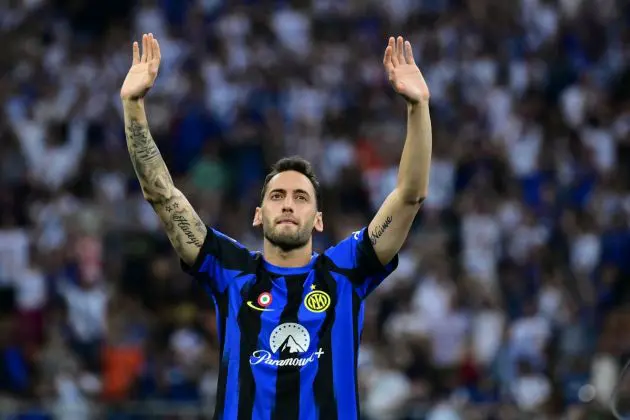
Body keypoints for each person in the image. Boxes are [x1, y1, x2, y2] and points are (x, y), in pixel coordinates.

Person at [120, 33, 432, 420]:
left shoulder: (346, 271)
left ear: (318, 220)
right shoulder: (231, 271)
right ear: (258, 214)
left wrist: (418, 107)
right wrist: (133, 105)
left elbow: (409, 196)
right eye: (277, 196)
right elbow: (163, 196)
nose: (288, 204)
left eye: (301, 198)